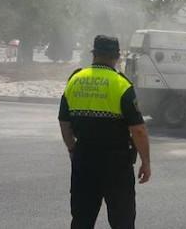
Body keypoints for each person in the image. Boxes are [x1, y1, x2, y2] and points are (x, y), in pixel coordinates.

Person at [58, 35, 151, 229]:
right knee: (122, 220)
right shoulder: (121, 84)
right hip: (116, 163)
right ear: (116, 57)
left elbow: (64, 122)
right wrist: (146, 162)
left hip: (84, 159)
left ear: (94, 54)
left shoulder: (75, 80)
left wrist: (72, 149)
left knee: (82, 218)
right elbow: (139, 131)